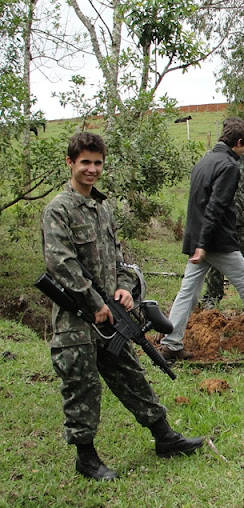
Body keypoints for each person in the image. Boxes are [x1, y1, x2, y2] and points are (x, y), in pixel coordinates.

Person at [41, 132, 203, 481]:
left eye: (97, 163)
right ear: (70, 163)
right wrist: (94, 301)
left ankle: (164, 437)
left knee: (130, 374)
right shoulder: (59, 209)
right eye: (85, 162)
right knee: (82, 388)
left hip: (110, 316)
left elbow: (120, 260)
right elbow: (60, 263)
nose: (92, 169)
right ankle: (86, 458)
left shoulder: (103, 207)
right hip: (77, 320)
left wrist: (124, 289)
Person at [160, 118, 244, 361]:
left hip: (198, 238)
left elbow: (196, 204)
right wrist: (204, 243)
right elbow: (216, 206)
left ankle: (171, 343)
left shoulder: (204, 161)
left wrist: (197, 241)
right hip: (216, 241)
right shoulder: (229, 166)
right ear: (239, 142)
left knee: (187, 292)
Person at [202, 118, 244, 309]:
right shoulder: (211, 156)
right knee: (215, 262)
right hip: (218, 219)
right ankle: (212, 297)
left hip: (243, 217)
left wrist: (243, 203)